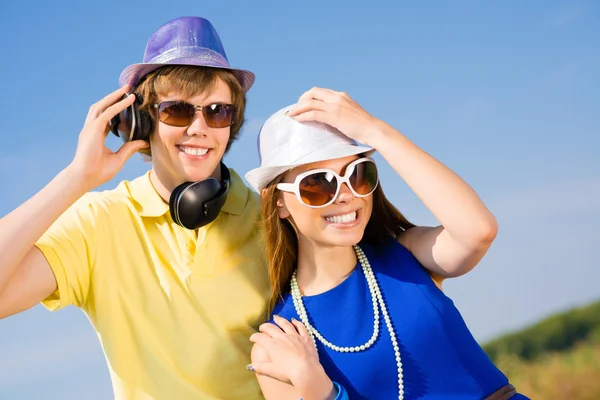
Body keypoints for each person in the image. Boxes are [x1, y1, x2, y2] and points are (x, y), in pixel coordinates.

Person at [0, 16, 269, 399]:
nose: (199, 127)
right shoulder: (99, 222)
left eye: (217, 111)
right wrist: (77, 177)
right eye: (177, 110)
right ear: (140, 122)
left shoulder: (272, 219)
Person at [244, 88, 529, 399]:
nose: (345, 194)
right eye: (316, 184)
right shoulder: (278, 344)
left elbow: (477, 230)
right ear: (278, 203)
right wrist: (317, 389)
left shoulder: (407, 257)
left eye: (357, 174)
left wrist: (374, 131)